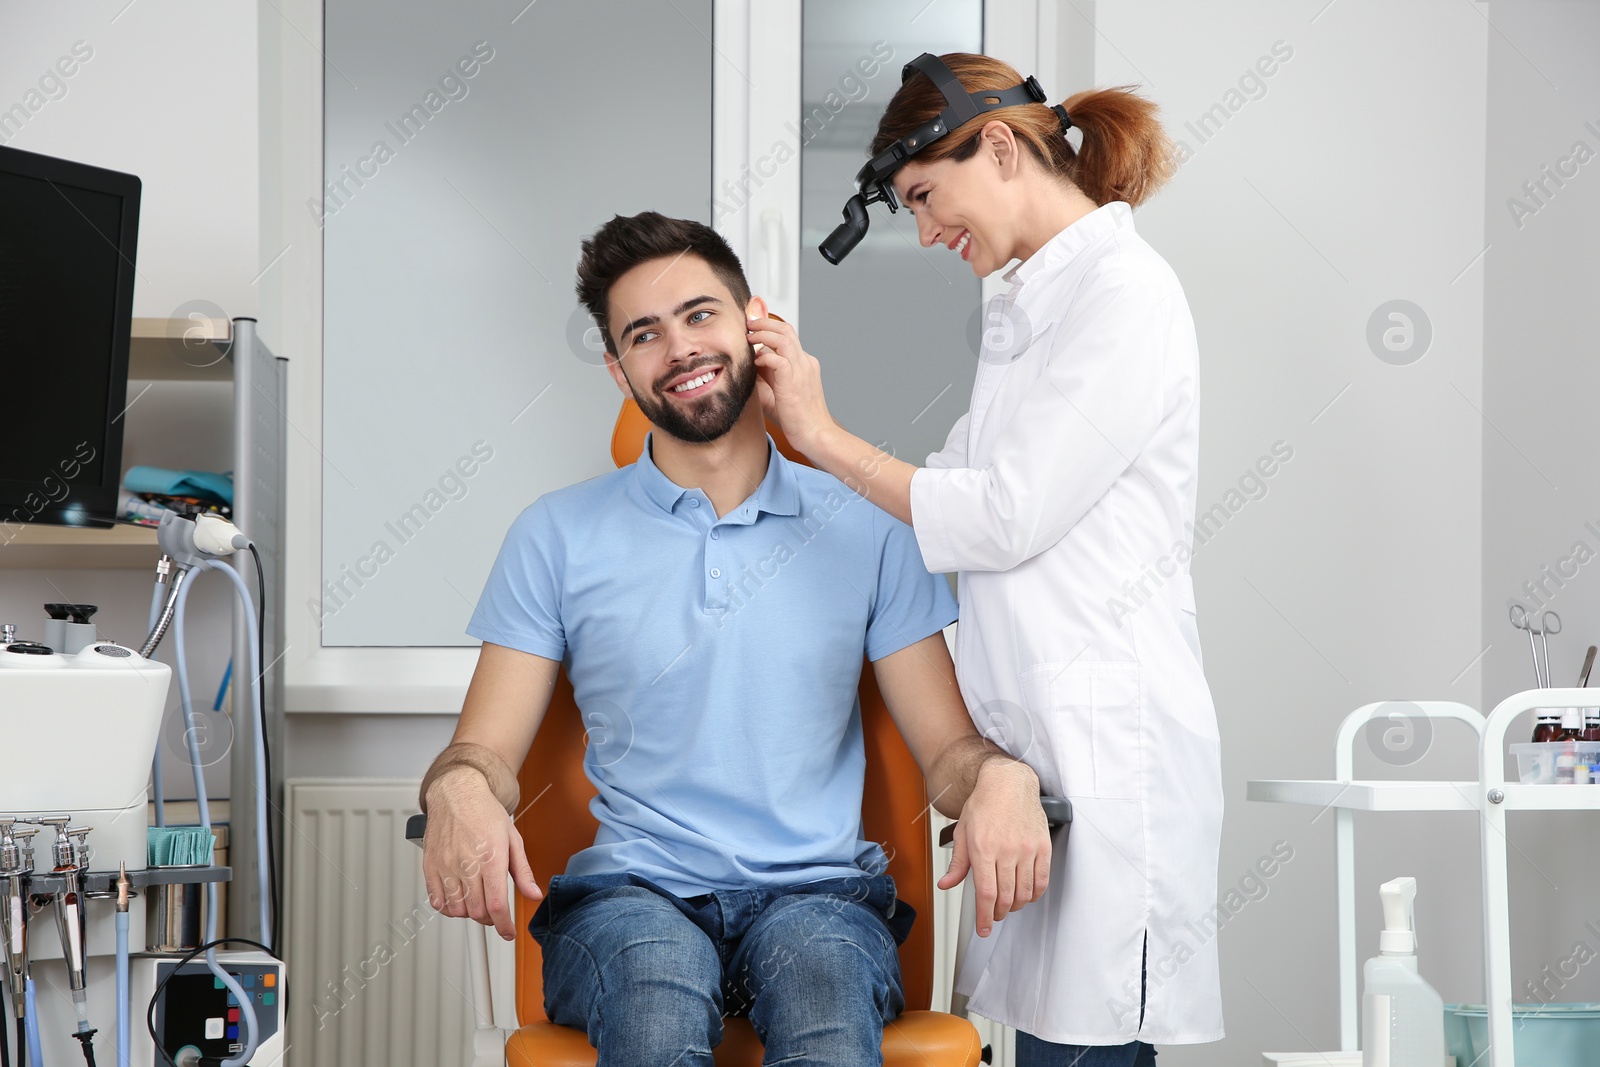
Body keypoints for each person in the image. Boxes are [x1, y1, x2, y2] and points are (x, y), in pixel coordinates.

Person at [418, 211, 1053, 1066]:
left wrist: (1001, 775)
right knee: (656, 988)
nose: (678, 347)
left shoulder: (870, 528)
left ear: (755, 323)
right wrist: (457, 790)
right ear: (617, 368)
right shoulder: (555, 536)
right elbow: (482, 751)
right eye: (643, 333)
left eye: (699, 314)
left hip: (819, 898)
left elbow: (949, 752)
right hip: (630, 898)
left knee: (824, 993)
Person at [750, 52, 1224, 1067]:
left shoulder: (1124, 292)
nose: (925, 232)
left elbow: (1001, 515)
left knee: (1087, 1049)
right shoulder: (1023, 307)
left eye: (925, 198)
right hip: (1035, 756)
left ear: (1000, 144)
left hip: (1110, 754)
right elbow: (935, 506)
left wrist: (822, 434)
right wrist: (780, 463)